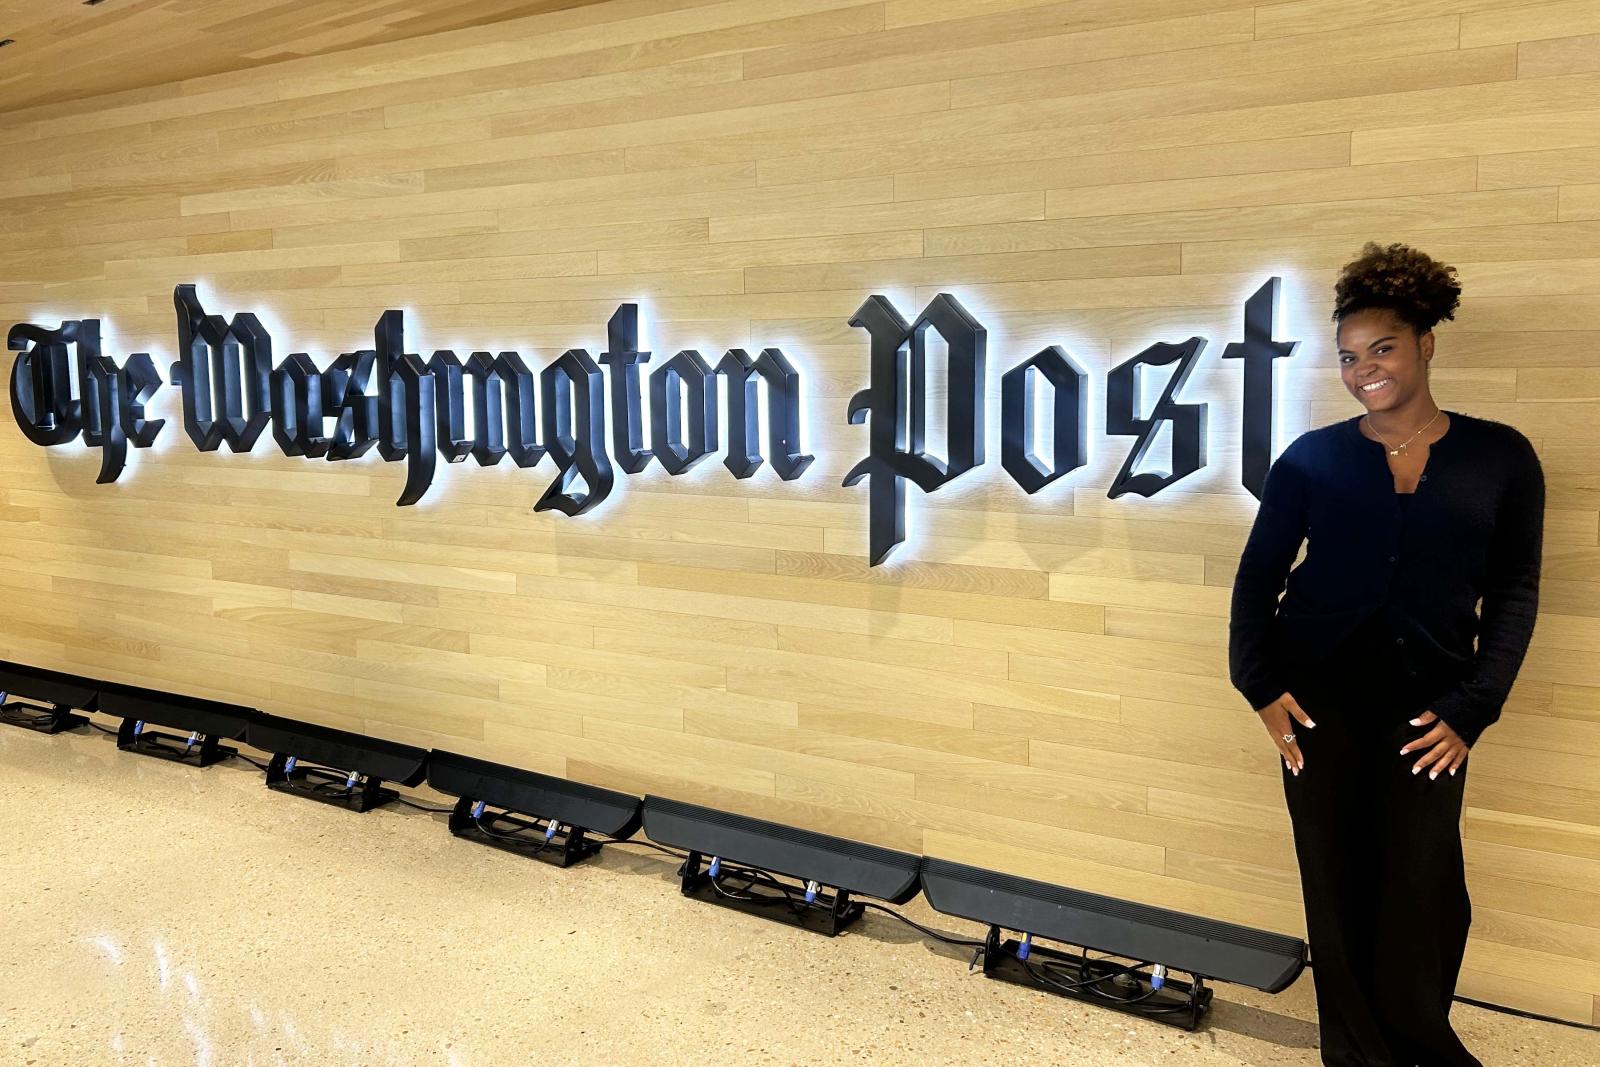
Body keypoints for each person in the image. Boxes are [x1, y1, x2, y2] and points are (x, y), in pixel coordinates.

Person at [1227, 241, 1545, 1066]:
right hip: (1317, 703)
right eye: (1348, 356)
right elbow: (1257, 580)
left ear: (1425, 343)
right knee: (1334, 883)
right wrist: (1259, 685)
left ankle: (1420, 1042)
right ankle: (1356, 1054)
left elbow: (1514, 592)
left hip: (1430, 710)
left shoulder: (1500, 457)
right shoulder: (1312, 459)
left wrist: (1473, 707)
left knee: (1424, 887)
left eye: (1382, 348)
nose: (1363, 369)